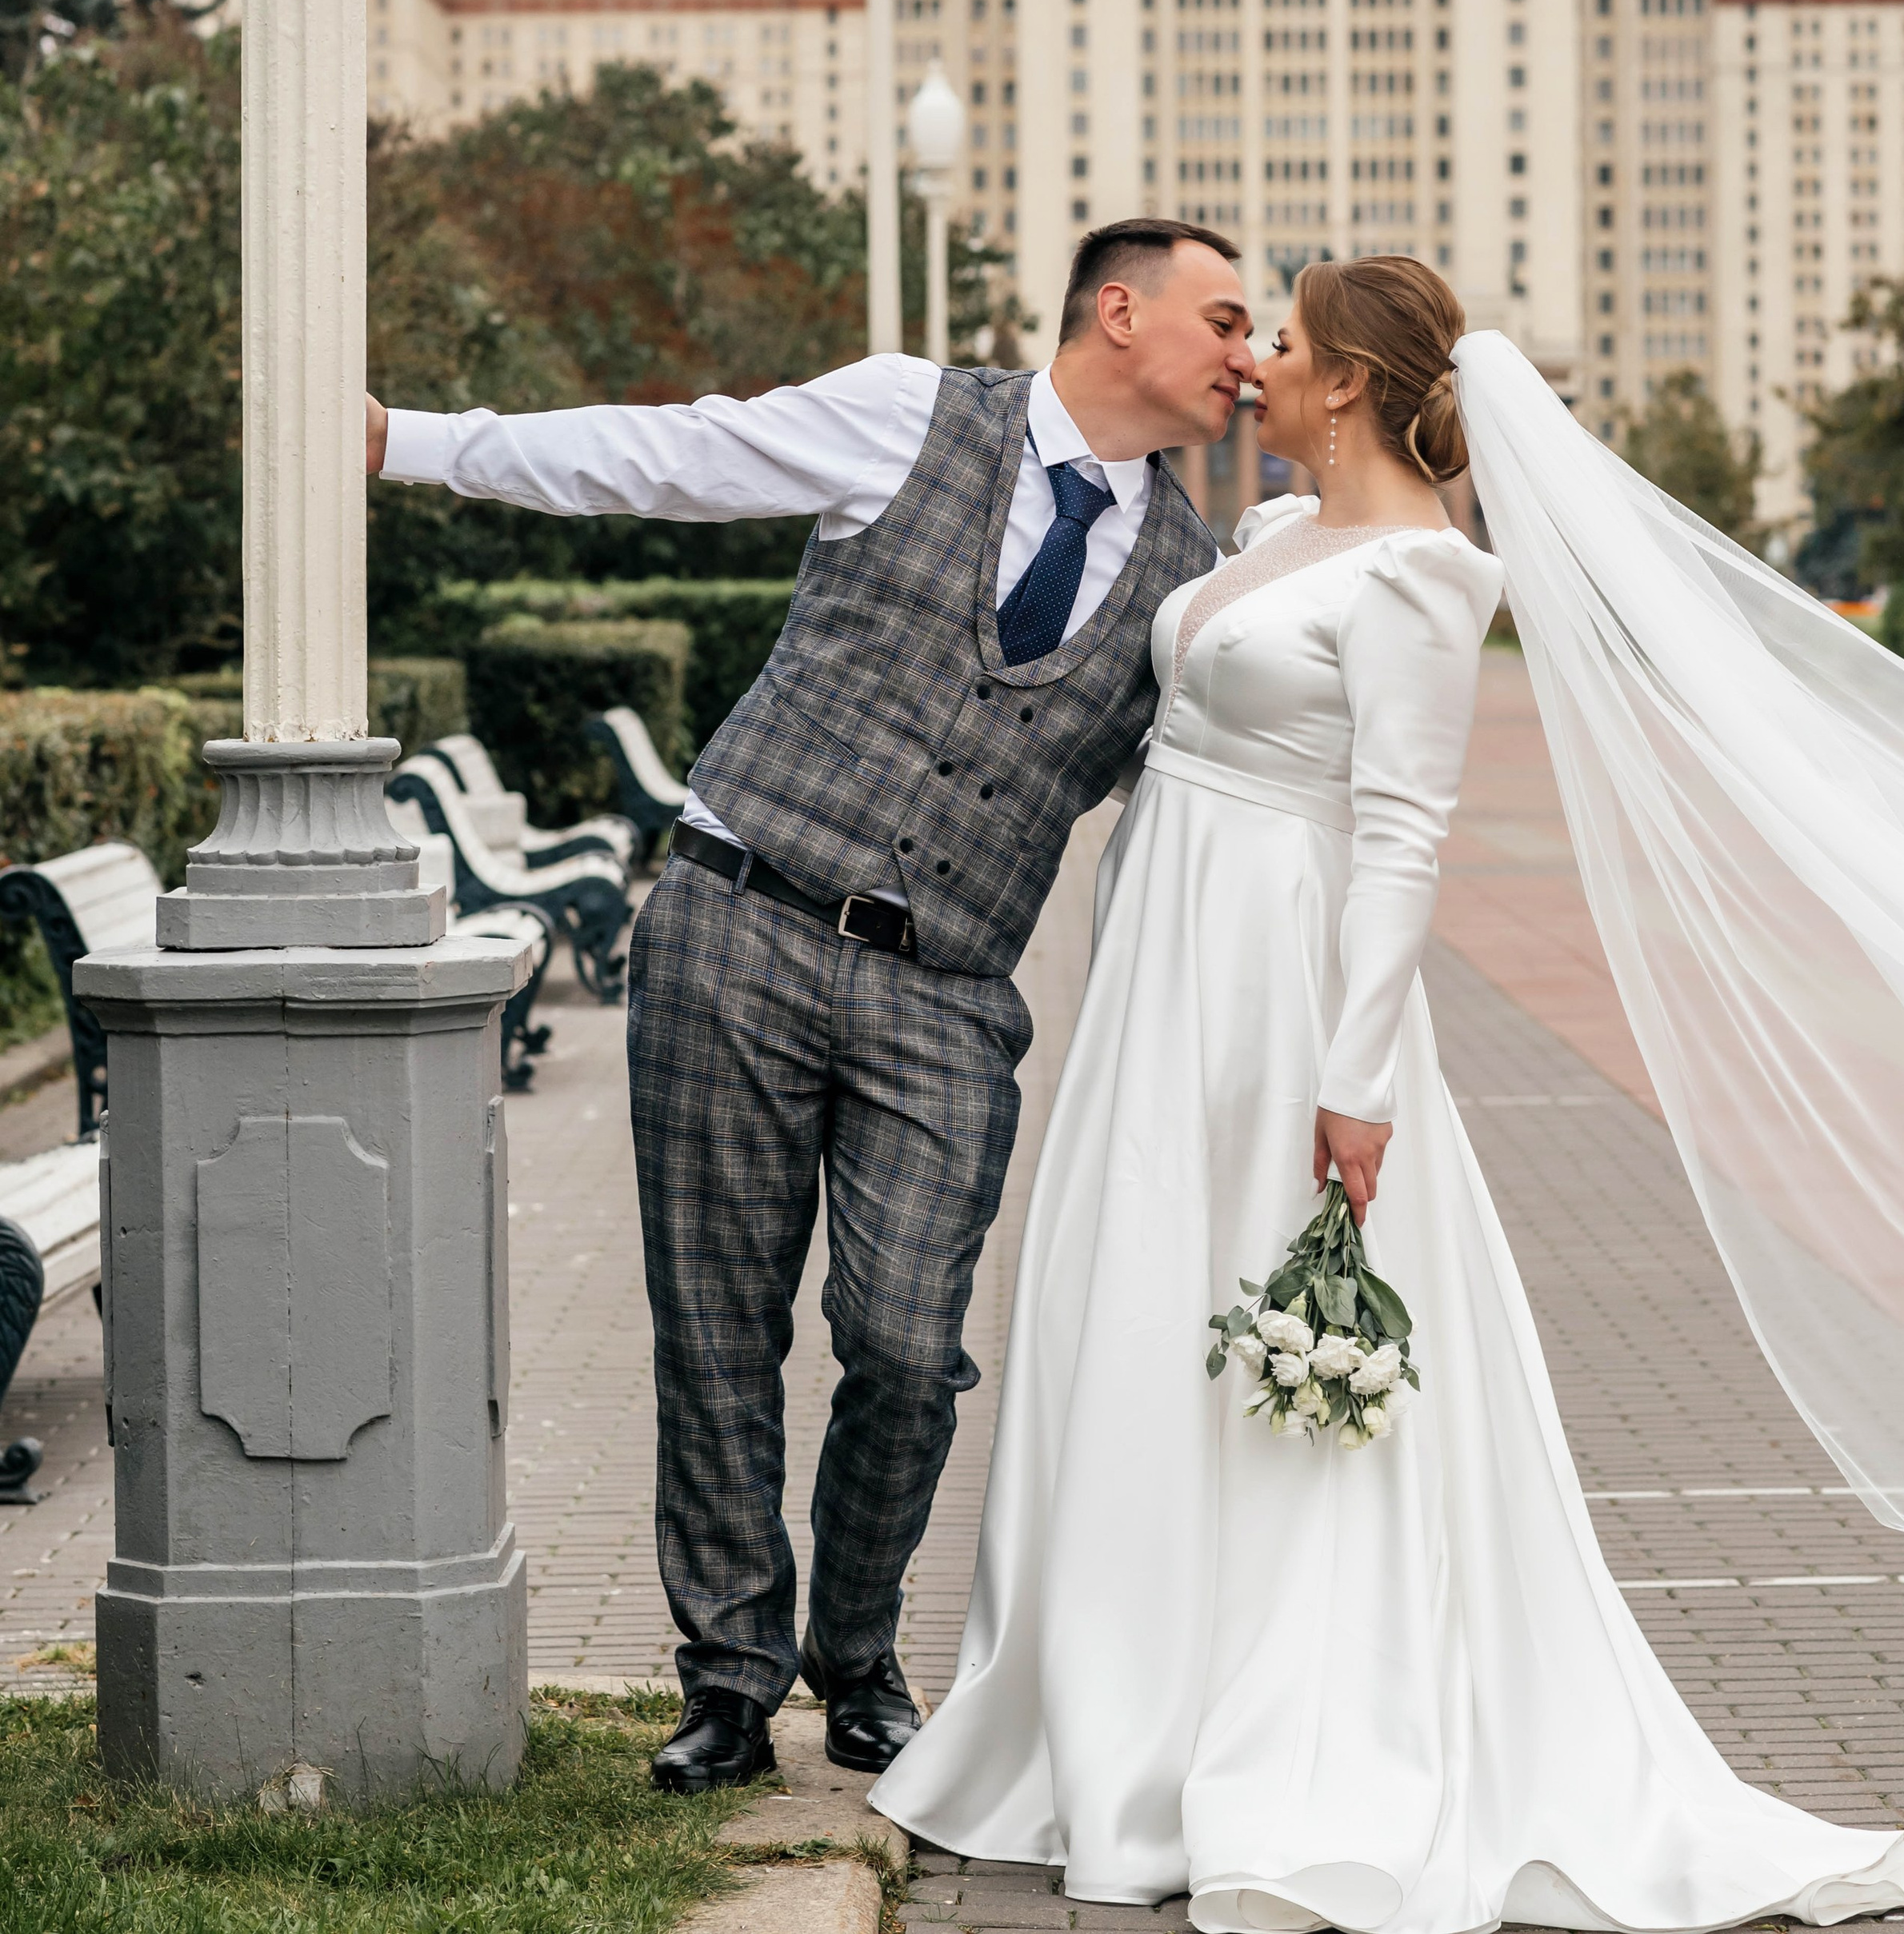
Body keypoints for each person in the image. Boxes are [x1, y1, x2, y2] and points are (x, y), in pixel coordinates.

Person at [872, 255, 1904, 1932]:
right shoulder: (1262, 542)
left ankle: (1282, 1729)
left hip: (1277, 996)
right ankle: (1107, 1717)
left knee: (1263, 1342)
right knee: (1134, 1307)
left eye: (1281, 344)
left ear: (1346, 385)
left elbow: (1397, 832)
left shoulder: (1415, 580)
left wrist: (1356, 1079)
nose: (1248, 362)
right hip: (1163, 979)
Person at [366, 219, 1247, 1792]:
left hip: (947, 993)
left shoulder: (1193, 586)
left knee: (907, 1346)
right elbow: (666, 455)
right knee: (717, 1336)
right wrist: (411, 442)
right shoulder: (906, 412)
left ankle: (855, 1652)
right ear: (1120, 312)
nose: (1247, 352)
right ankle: (725, 1677)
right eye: (1225, 315)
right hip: (735, 920)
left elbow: (1215, 806)